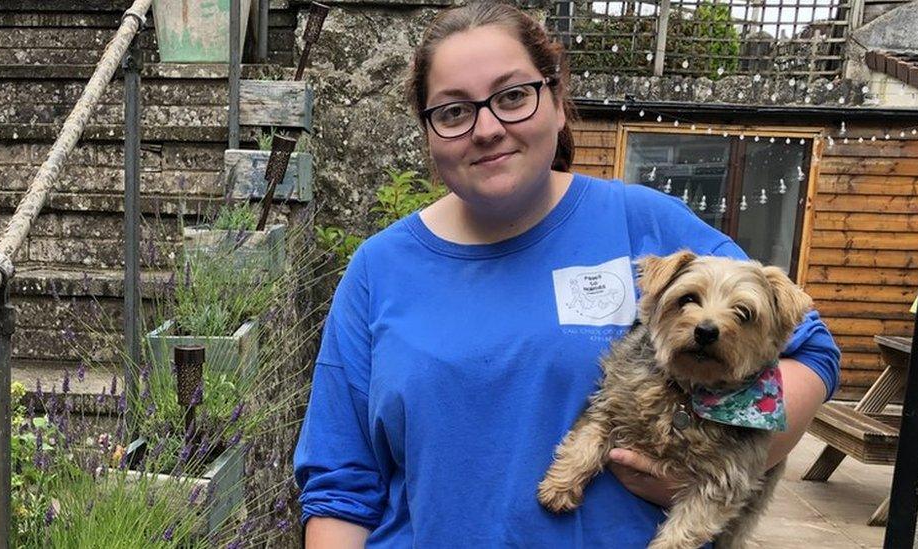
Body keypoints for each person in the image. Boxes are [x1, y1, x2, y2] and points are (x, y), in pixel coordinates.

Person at [293, 2, 841, 547]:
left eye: (512, 96)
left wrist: (720, 465)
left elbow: (812, 353)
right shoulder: (379, 268)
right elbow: (342, 480)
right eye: (454, 110)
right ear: (429, 132)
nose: (486, 128)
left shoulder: (643, 223)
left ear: (557, 100)